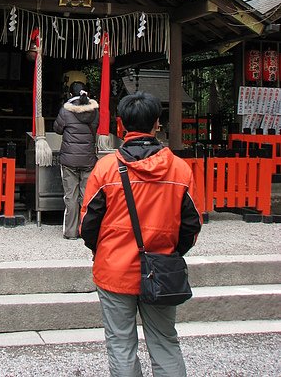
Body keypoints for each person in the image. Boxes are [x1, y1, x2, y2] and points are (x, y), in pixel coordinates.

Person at [80, 91, 202, 377]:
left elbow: (88, 226)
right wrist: (168, 253)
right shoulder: (180, 170)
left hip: (114, 269)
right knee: (165, 343)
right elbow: (191, 226)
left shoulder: (106, 169)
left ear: (120, 125)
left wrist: (106, 251)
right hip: (162, 269)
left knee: (121, 344)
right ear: (157, 124)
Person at [53, 81, 99, 240]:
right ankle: (86, 231)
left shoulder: (65, 111)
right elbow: (96, 128)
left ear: (70, 94)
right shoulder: (94, 111)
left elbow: (57, 129)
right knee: (87, 196)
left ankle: (71, 232)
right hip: (88, 159)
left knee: (70, 196)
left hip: (69, 161)